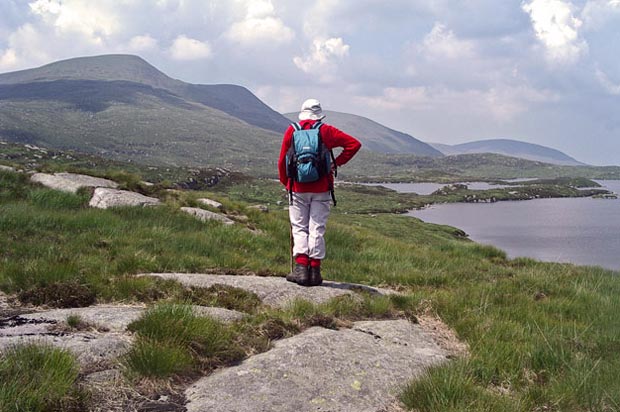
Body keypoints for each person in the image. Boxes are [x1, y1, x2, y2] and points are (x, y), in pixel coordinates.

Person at [278, 98, 361, 286]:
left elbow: (282, 160)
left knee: (299, 227)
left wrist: (286, 183)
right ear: (318, 114)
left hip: (297, 188)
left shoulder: (292, 130)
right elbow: (354, 144)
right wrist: (335, 163)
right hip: (322, 187)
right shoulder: (326, 131)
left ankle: (300, 270)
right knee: (317, 227)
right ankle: (314, 271)